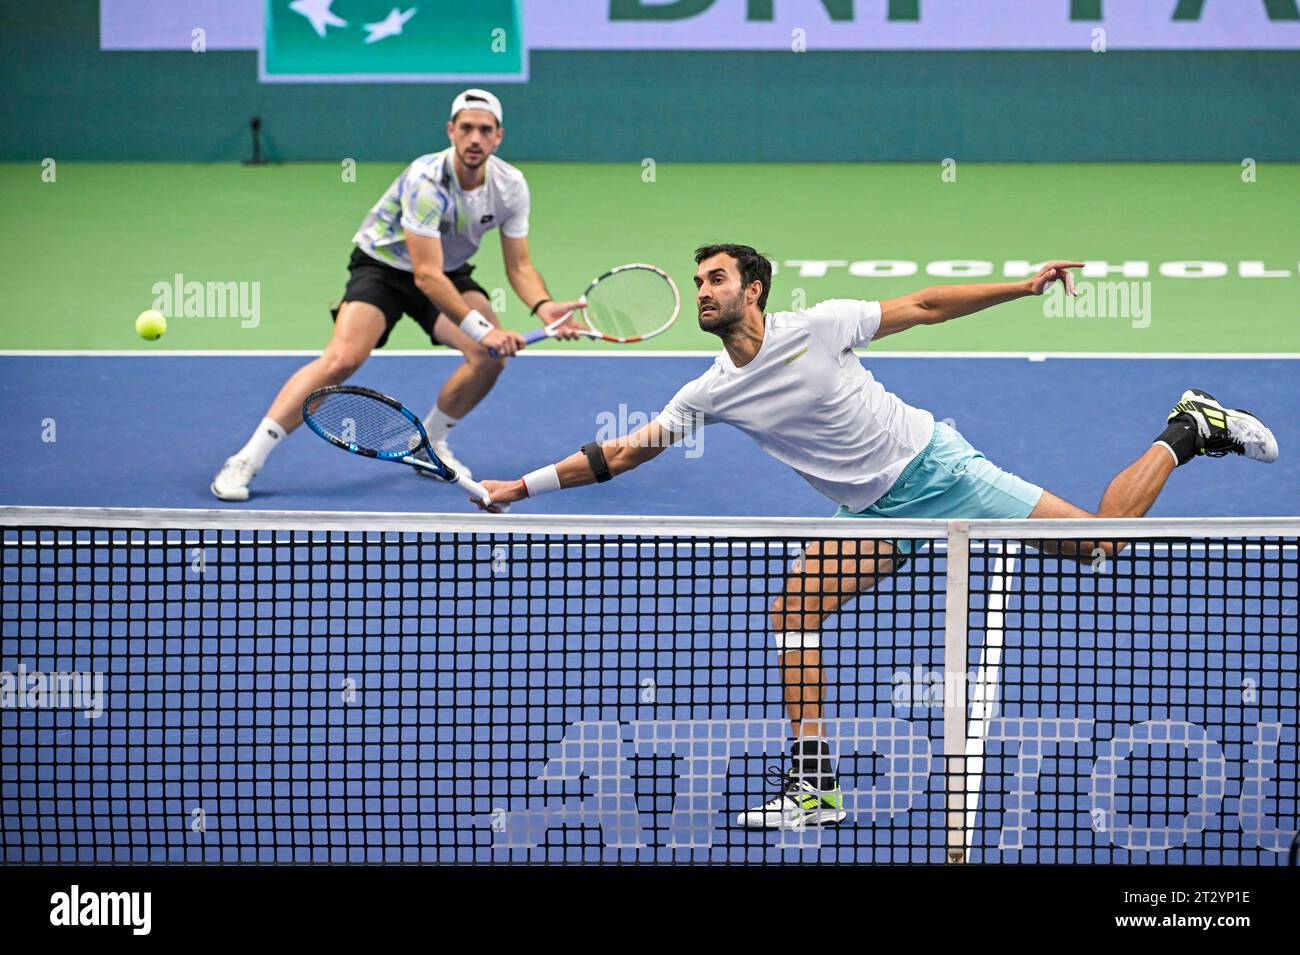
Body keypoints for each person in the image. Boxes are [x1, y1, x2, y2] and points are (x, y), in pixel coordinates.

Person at [472, 242, 1279, 831]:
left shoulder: (818, 326)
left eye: (716, 278)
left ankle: (1187, 427)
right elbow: (622, 451)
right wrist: (523, 486)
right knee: (794, 612)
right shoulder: (710, 389)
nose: (703, 290)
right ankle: (814, 784)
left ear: (754, 290)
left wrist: (1024, 286)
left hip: (940, 474)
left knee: (1101, 545)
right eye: (698, 282)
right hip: (873, 514)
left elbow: (924, 305)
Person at [211, 88, 580, 501]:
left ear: (498, 136)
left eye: (485, 130)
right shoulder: (426, 180)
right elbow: (425, 276)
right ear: (451, 131)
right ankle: (247, 458)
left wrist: (545, 307)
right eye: (466, 128)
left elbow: (520, 266)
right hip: (384, 269)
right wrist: (483, 330)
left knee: (488, 360)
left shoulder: (510, 185)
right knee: (341, 360)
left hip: (448, 270)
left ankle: (428, 445)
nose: (475, 138)